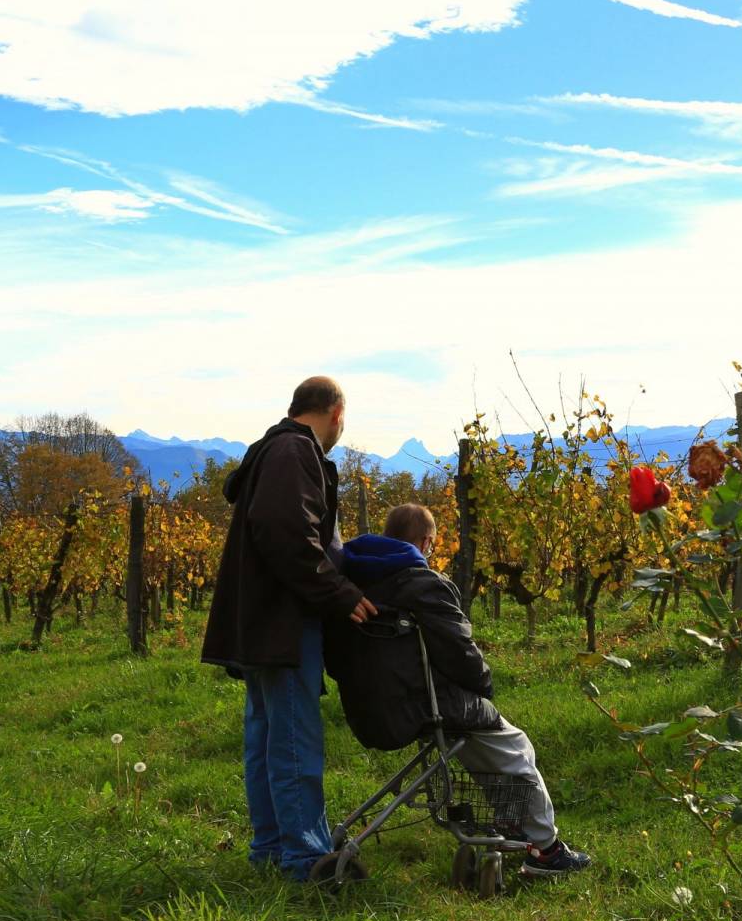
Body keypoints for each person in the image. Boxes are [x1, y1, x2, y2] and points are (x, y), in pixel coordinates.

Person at [326, 503, 591, 877]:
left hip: (369, 706)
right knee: (513, 745)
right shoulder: (422, 584)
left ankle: (513, 825)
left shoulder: (347, 585)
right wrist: (484, 687)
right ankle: (546, 850)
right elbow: (460, 652)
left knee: (473, 741)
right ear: (426, 542)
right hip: (422, 704)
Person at [201, 376, 378, 881]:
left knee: (268, 734)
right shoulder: (295, 452)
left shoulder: (272, 449)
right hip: (284, 619)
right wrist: (340, 593)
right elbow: (287, 535)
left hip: (261, 619)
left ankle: (273, 848)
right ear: (336, 414)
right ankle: (304, 858)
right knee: (294, 738)